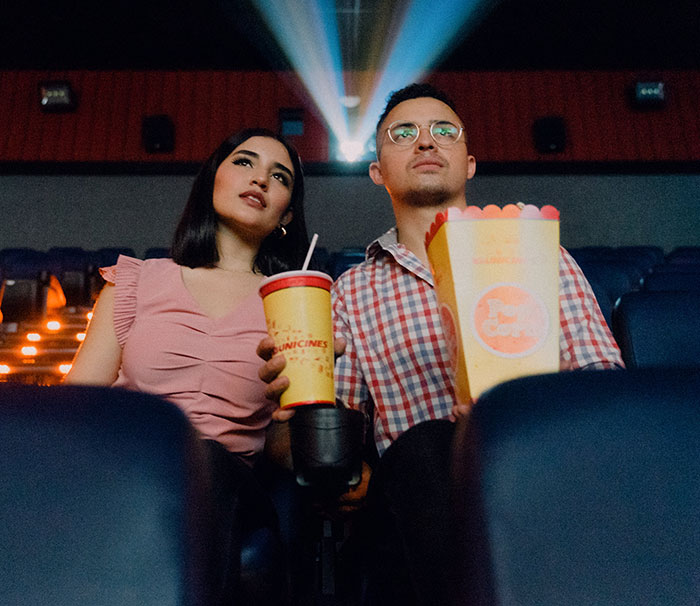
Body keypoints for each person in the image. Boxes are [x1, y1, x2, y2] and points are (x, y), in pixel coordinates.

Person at [259, 83, 624, 605]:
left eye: (443, 131)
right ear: (377, 170)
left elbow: (604, 389)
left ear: (468, 163)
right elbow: (330, 446)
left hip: (545, 475)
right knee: (430, 444)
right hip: (418, 500)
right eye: (403, 133)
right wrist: (291, 414)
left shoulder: (544, 256)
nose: (426, 142)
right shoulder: (352, 292)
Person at [65, 127, 310, 605]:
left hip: (231, 484)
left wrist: (293, 412)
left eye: (278, 177)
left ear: (287, 213)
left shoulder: (293, 305)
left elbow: (284, 455)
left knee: (207, 462)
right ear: (212, 180)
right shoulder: (136, 282)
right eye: (244, 163)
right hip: (132, 472)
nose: (259, 179)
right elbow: (76, 408)